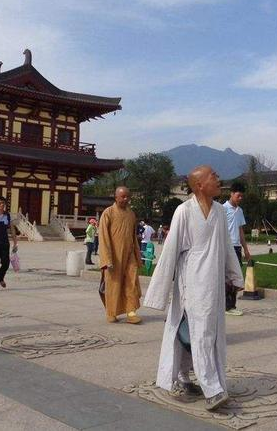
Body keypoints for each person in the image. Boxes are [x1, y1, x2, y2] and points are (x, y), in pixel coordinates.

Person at [144, 165, 244, 412]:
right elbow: (169, 252)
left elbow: (226, 247)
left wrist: (235, 276)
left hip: (214, 284)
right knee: (200, 334)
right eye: (213, 175)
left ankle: (182, 376)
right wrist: (158, 292)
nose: (219, 178)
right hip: (192, 282)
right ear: (199, 185)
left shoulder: (220, 211)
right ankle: (212, 389)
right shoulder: (184, 211)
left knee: (191, 333)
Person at [98, 187, 143, 324]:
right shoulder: (108, 213)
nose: (125, 199)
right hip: (114, 256)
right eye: (123, 197)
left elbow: (133, 237)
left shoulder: (131, 214)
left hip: (129, 255)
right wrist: (107, 259)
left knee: (132, 282)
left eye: (127, 197)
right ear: (116, 197)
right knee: (113, 284)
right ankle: (111, 312)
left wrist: (137, 255)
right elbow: (104, 237)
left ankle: (131, 311)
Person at [223, 182, 251, 317]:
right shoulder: (223, 209)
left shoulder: (239, 211)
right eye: (238, 196)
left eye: (242, 196)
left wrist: (246, 249)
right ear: (232, 194)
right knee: (227, 278)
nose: (240, 198)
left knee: (236, 277)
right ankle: (227, 306)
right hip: (226, 247)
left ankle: (231, 305)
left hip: (236, 247)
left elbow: (240, 231)